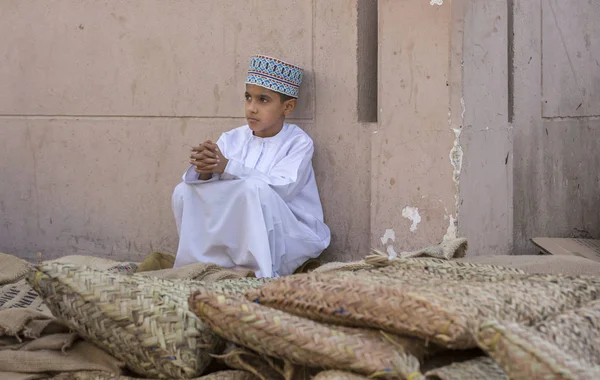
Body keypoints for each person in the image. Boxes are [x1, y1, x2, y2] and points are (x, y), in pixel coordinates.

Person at [172, 55, 331, 278]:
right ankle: (197, 266)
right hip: (238, 231)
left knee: (253, 189)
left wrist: (228, 167)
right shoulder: (232, 138)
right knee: (184, 191)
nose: (252, 108)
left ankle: (260, 273)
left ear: (288, 107)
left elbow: (283, 189)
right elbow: (216, 191)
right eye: (248, 98)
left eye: (263, 100)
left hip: (290, 234)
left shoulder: (298, 142)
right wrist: (205, 172)